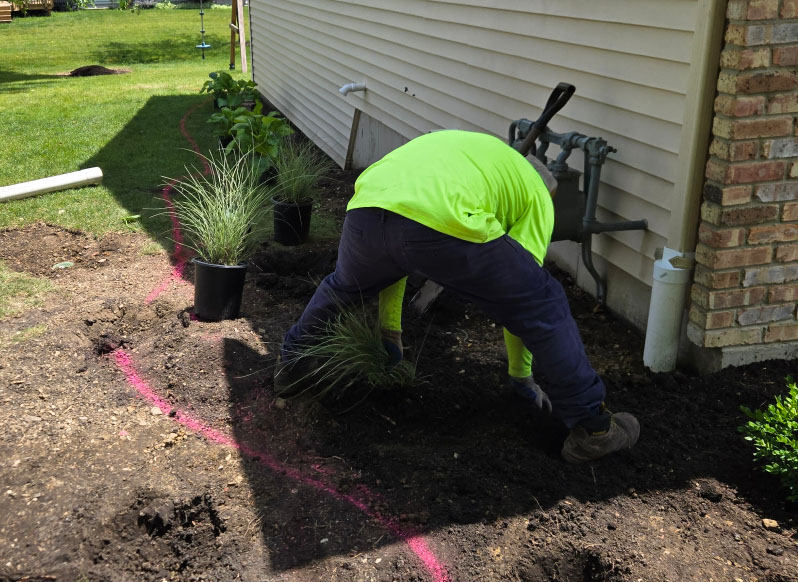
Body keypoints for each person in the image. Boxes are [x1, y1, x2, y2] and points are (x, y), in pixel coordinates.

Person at [273, 130, 639, 463]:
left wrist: (391, 335)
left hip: (367, 208)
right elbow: (525, 304)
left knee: (343, 287)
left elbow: (393, 261)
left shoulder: (472, 151)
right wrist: (521, 379)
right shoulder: (536, 193)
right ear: (550, 193)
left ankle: (291, 366)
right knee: (544, 300)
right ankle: (594, 428)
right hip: (439, 220)